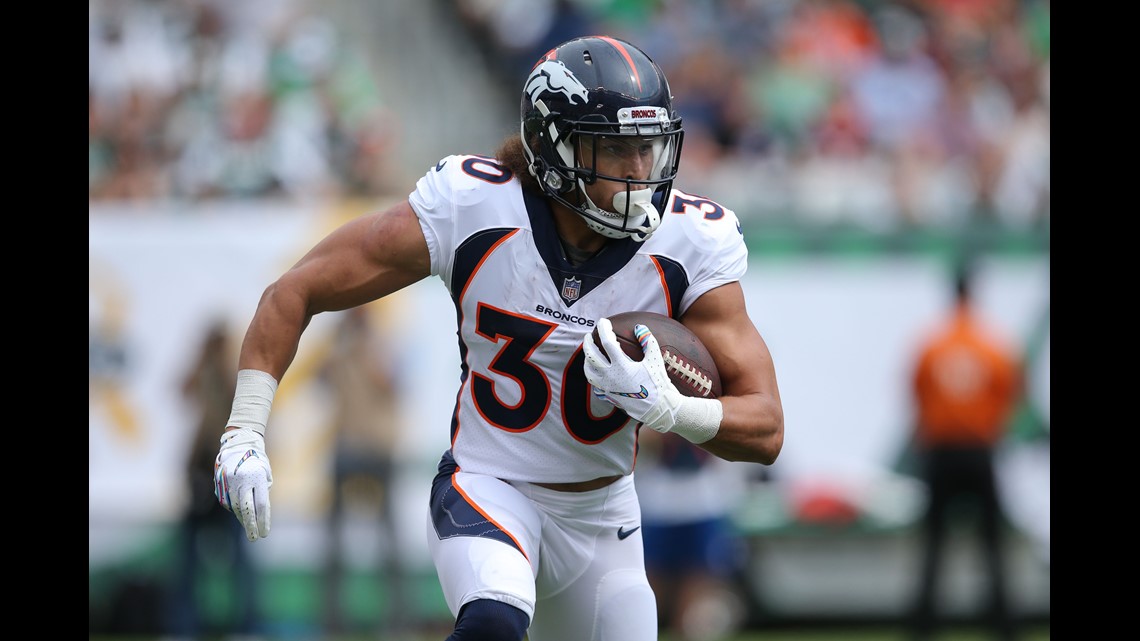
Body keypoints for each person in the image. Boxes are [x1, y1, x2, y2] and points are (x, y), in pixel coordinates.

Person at [212, 35, 784, 641]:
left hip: (602, 517)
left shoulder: (688, 243)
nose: (639, 172)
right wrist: (245, 426)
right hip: (488, 485)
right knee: (492, 621)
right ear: (551, 144)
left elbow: (767, 427)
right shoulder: (475, 209)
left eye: (647, 148)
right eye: (614, 149)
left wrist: (674, 410)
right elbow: (294, 291)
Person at [907, 260, 1023, 641]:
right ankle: (1003, 625)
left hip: (941, 451)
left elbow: (917, 393)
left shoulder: (933, 344)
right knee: (991, 544)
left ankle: (924, 627)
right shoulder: (991, 344)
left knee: (934, 545)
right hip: (978, 450)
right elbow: (1009, 393)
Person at [317, 305, 409, 636]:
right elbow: (321, 380)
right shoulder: (339, 350)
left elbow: (390, 384)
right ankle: (332, 620)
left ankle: (397, 621)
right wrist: (340, 348)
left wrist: (364, 349)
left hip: (377, 448)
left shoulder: (383, 346)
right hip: (347, 446)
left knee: (388, 541)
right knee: (333, 542)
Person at [171, 320, 260, 638]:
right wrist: (201, 356)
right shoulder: (205, 371)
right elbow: (182, 389)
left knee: (239, 552)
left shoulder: (237, 374)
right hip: (202, 468)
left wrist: (226, 359)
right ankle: (185, 626)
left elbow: (237, 398)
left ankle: (247, 626)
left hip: (230, 468)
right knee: (188, 556)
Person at [634, 429, 748, 641]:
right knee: (648, 586)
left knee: (695, 584)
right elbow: (643, 441)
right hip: (657, 500)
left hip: (703, 500)